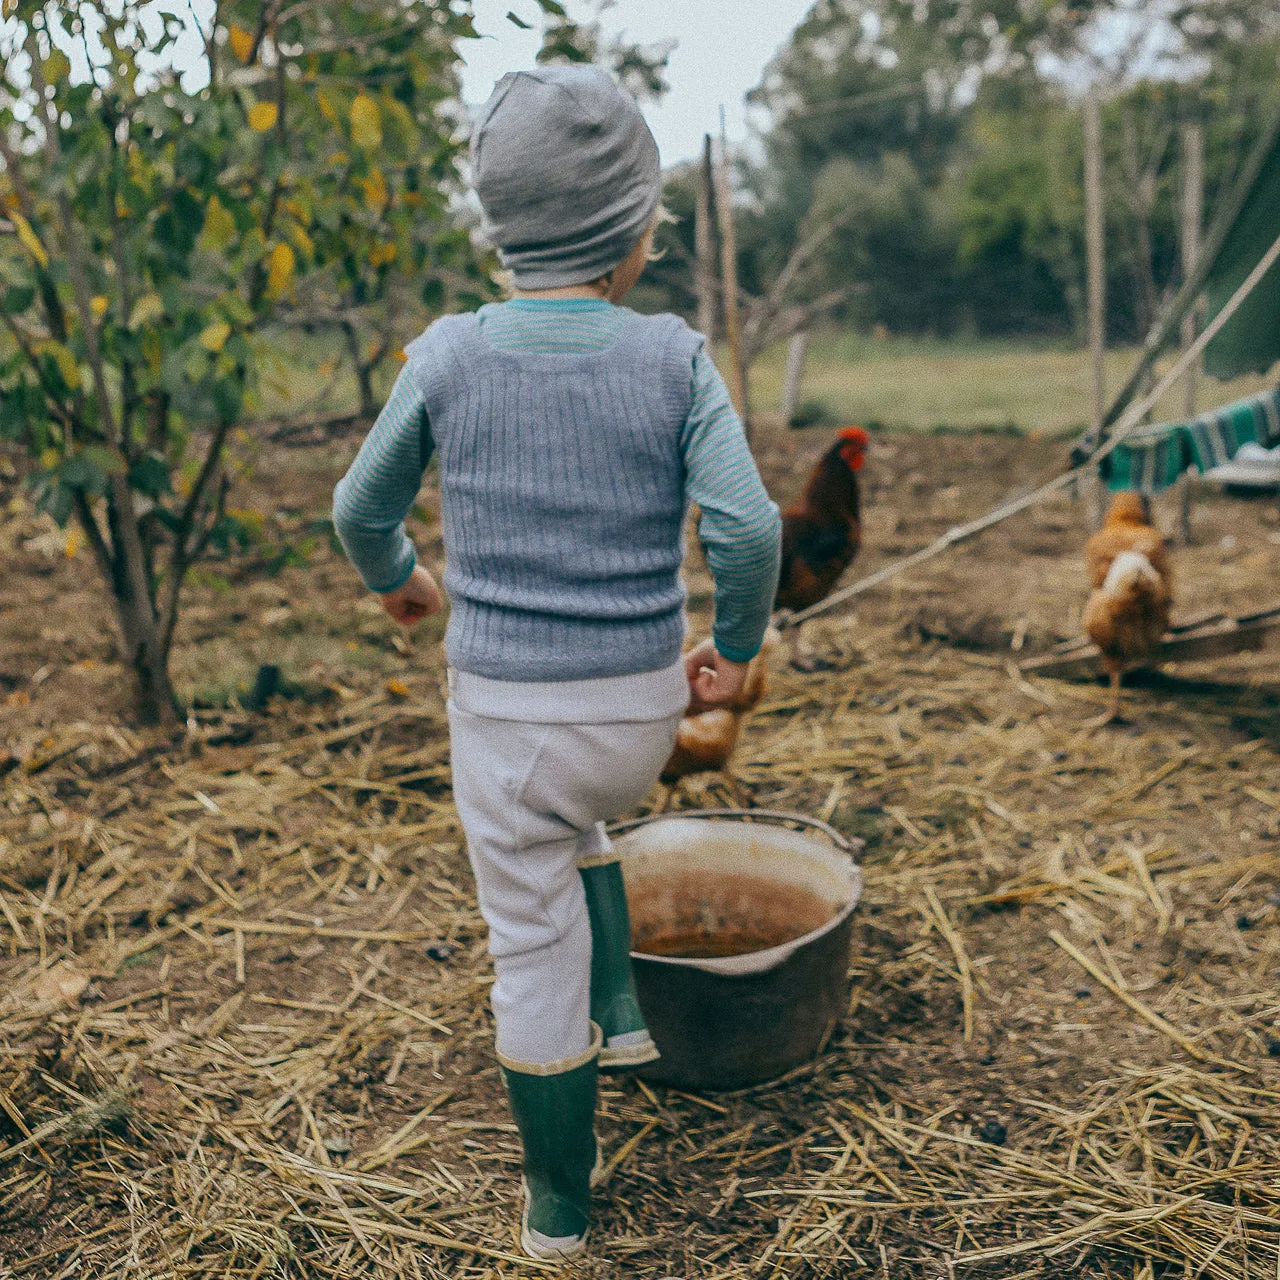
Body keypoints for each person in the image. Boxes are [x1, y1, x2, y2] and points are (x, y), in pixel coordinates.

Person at [332, 65, 780, 1261]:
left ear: (498, 229)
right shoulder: (672, 357)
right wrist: (734, 649)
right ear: (634, 233)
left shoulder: (445, 358)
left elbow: (357, 506)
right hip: (634, 724)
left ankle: (556, 1207)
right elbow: (746, 526)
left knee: (524, 932)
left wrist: (399, 579)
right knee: (577, 811)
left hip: (505, 719)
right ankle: (621, 1013)